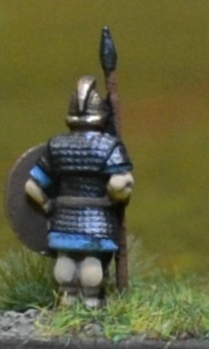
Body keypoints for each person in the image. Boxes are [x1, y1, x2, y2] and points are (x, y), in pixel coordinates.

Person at [24, 76, 133, 309]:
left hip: (62, 219)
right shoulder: (108, 146)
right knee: (92, 260)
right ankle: (92, 303)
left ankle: (68, 301)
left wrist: (48, 206)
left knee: (65, 259)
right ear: (100, 116)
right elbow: (118, 185)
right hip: (97, 220)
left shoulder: (56, 145)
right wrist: (119, 197)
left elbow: (32, 187)